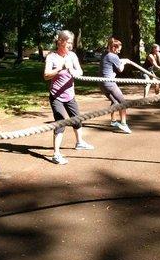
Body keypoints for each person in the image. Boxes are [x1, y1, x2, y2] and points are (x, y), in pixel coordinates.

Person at [43, 30, 94, 165]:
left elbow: (80, 72)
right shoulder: (51, 57)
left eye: (71, 42)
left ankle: (80, 142)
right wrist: (59, 69)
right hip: (56, 96)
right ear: (60, 41)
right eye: (68, 42)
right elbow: (46, 75)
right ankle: (56, 154)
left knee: (77, 119)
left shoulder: (72, 55)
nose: (70, 45)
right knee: (60, 122)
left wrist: (72, 70)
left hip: (70, 95)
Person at [99, 37, 132, 134]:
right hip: (109, 83)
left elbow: (112, 61)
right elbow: (120, 69)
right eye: (118, 49)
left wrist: (122, 60)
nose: (118, 52)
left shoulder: (105, 54)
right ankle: (123, 124)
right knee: (123, 102)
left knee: (114, 102)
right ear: (113, 47)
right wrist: (124, 62)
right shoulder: (114, 56)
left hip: (102, 83)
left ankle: (113, 121)